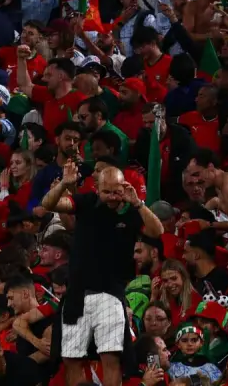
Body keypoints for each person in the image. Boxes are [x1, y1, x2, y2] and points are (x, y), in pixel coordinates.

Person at [40, 160, 164, 386]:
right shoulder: (86, 202)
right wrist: (64, 184)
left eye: (117, 192)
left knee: (111, 357)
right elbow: (48, 203)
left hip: (110, 295)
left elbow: (158, 231)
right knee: (71, 358)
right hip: (76, 295)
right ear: (97, 189)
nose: (112, 197)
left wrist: (138, 203)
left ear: (124, 188)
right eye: (107, 192)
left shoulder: (132, 212)